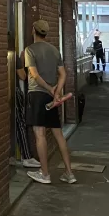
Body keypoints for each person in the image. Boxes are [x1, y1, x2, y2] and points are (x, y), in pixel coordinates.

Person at [24, 20, 77, 185]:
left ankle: (45, 173)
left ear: (33, 30)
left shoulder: (30, 50)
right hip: (52, 97)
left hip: (37, 95)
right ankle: (69, 173)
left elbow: (34, 75)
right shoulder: (54, 50)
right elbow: (63, 74)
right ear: (45, 32)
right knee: (58, 135)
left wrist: (48, 89)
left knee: (40, 135)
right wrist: (56, 91)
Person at [14, 53, 40, 168]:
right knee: (21, 123)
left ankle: (13, 156)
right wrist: (23, 61)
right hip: (15, 92)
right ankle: (26, 156)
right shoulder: (15, 57)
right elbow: (22, 76)